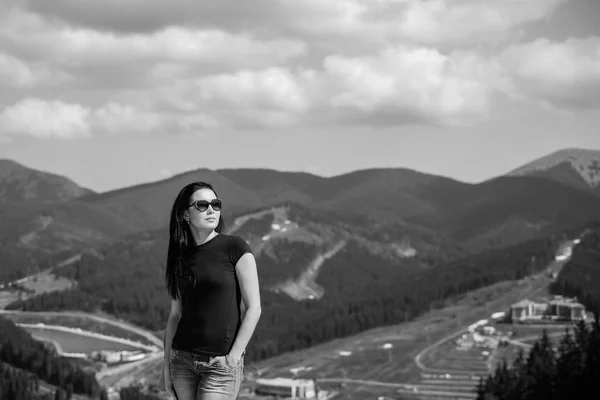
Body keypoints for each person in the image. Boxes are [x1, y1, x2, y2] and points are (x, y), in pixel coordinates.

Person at [160, 181, 261, 400]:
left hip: (220, 365)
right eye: (202, 205)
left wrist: (233, 358)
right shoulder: (180, 257)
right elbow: (175, 315)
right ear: (185, 215)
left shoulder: (235, 247)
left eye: (216, 204)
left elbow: (254, 308)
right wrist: (166, 367)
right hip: (182, 361)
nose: (211, 210)